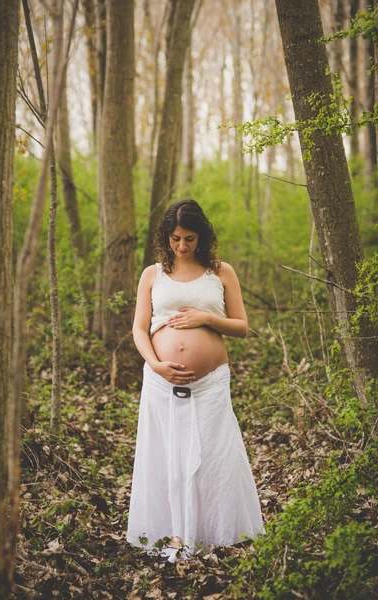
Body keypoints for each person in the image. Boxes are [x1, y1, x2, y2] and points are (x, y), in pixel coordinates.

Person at [126, 199, 264, 563]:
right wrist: (156, 365)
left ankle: (212, 532)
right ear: (166, 237)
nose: (182, 246)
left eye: (189, 239)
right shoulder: (152, 274)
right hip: (161, 382)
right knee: (168, 456)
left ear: (201, 237)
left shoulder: (221, 272)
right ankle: (174, 537)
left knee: (213, 455)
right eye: (175, 239)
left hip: (211, 383)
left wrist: (205, 318)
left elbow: (242, 327)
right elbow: (140, 329)